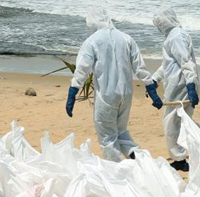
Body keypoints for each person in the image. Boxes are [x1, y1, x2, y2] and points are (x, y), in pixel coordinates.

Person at [65, 8, 163, 162]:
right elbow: (140, 67)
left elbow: (82, 70)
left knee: (107, 138)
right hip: (126, 95)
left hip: (106, 96)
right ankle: (141, 162)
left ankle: (118, 172)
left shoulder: (92, 41)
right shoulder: (126, 39)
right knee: (121, 131)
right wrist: (152, 90)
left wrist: (72, 93)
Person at [151, 7, 200, 172]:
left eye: (160, 19)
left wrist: (190, 85)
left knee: (172, 123)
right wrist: (155, 79)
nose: (158, 23)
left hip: (180, 85)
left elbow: (185, 62)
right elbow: (168, 64)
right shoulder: (173, 36)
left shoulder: (176, 37)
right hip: (178, 83)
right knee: (183, 122)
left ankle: (179, 159)